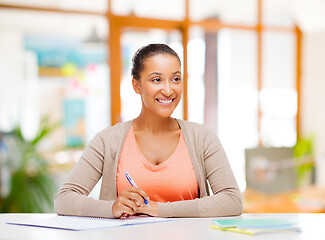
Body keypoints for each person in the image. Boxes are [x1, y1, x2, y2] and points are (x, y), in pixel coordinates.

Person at [55, 43, 243, 218]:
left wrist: (160, 209)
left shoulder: (202, 138)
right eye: (157, 80)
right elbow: (64, 199)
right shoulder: (108, 140)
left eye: (176, 79)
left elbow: (232, 200)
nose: (168, 90)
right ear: (137, 86)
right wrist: (111, 207)